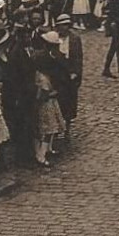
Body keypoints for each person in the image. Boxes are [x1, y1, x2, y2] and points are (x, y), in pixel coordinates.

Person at [33, 34, 66, 169]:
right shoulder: (43, 79)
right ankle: (41, 155)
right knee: (47, 130)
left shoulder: (39, 74)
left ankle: (43, 151)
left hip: (46, 105)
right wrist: (54, 93)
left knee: (44, 129)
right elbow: (43, 95)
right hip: (47, 105)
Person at [53, 13, 83, 136]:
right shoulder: (54, 38)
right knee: (58, 101)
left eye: (66, 25)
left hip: (70, 74)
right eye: (62, 25)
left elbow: (78, 58)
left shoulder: (75, 38)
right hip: (58, 73)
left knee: (69, 101)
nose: (64, 28)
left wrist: (76, 72)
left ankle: (67, 125)